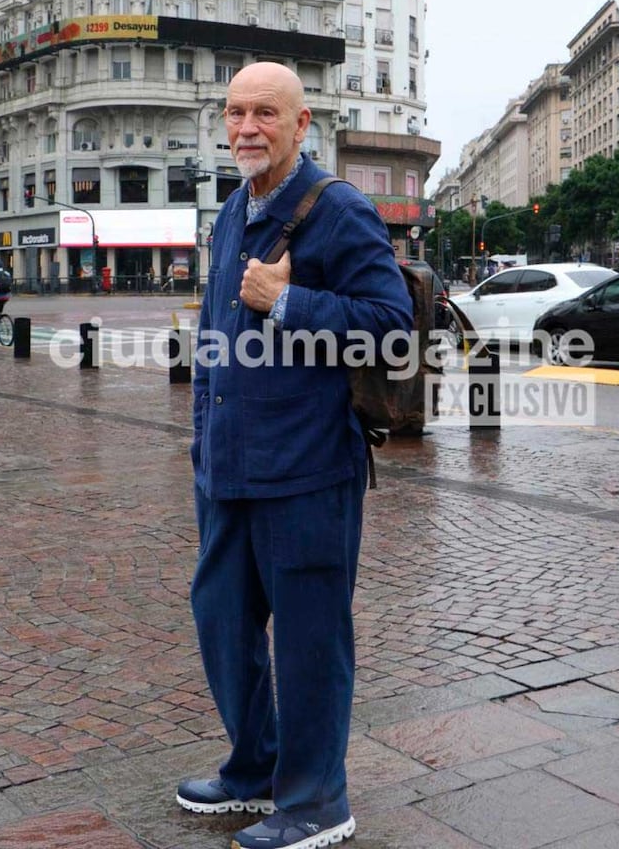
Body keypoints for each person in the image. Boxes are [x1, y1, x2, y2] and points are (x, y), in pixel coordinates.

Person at [176, 62, 413, 849]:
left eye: (265, 114)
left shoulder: (336, 209)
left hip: (308, 469)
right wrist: (202, 441)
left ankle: (316, 800)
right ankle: (255, 767)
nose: (247, 127)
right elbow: (215, 337)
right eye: (235, 111)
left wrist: (288, 301)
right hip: (231, 467)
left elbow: (390, 325)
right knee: (220, 619)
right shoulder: (233, 208)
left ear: (301, 123)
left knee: (310, 637)